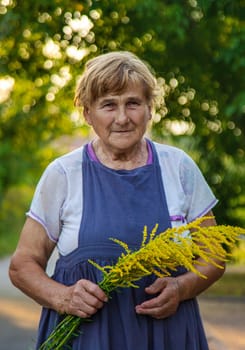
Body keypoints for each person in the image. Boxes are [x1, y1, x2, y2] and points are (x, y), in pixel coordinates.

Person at [9, 51, 224, 350]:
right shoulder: (64, 174)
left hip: (168, 336)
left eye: (133, 103)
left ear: (150, 109)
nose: (122, 118)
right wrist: (64, 297)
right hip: (87, 338)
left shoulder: (179, 167)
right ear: (87, 113)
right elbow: (23, 265)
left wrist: (181, 287)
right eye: (108, 105)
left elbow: (213, 256)